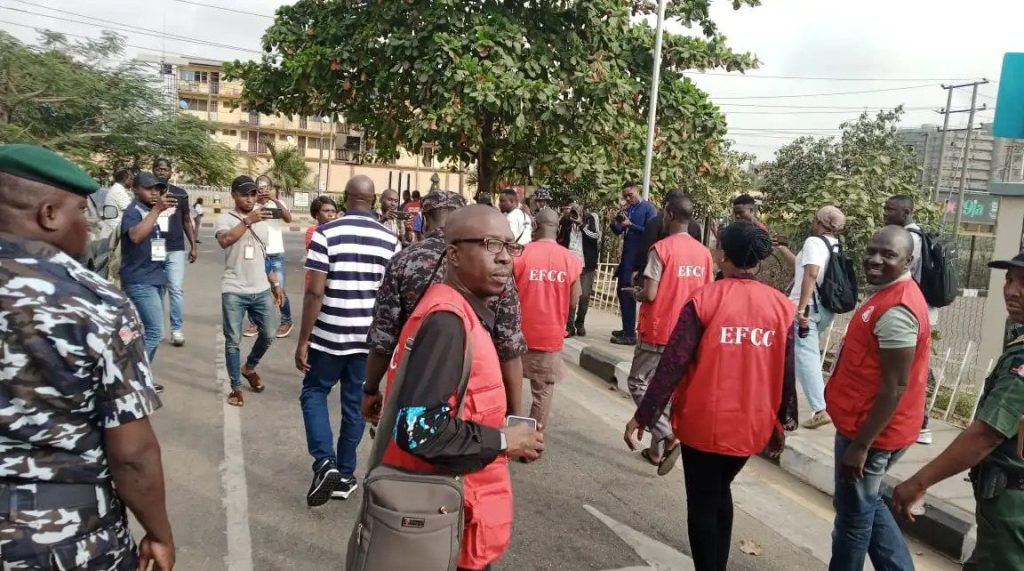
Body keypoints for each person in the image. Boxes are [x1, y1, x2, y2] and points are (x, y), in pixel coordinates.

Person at [0, 144, 173, 570]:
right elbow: (132, 452)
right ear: (50, 214)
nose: (88, 227)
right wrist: (158, 532)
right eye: (82, 213)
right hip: (61, 535)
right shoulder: (93, 303)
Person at [367, 205, 545, 571]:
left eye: (511, 247)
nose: (504, 259)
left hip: (458, 514)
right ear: (453, 254)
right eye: (490, 245)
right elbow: (418, 430)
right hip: (444, 521)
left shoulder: (465, 311)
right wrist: (504, 440)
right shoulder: (448, 323)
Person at [624, 220, 794, 571]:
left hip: (704, 422)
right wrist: (783, 422)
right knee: (720, 490)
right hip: (752, 425)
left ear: (722, 255)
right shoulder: (781, 307)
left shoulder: (704, 299)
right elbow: (786, 373)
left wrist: (644, 415)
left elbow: (672, 363)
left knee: (702, 503)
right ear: (758, 261)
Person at [892, 250, 1024, 571]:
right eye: (1009, 280)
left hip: (1011, 504)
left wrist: (918, 482)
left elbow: (985, 435)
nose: (1012, 290)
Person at [363, 190, 528, 430]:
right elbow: (509, 347)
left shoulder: (404, 260)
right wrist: (515, 416)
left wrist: (370, 389)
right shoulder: (494, 270)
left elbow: (384, 337)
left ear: (425, 218)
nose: (504, 257)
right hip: (476, 398)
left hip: (414, 385)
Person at [824, 226, 930, 571]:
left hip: (870, 433)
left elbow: (895, 386)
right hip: (869, 426)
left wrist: (861, 446)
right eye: (872, 251)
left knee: (853, 518)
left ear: (908, 261)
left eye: (888, 255)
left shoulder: (898, 309)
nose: (875, 259)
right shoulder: (888, 293)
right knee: (865, 502)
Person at [295, 175, 400, 506]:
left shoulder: (326, 233)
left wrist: (303, 339)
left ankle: (324, 463)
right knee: (355, 404)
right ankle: (345, 475)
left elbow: (315, 290)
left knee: (314, 392)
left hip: (329, 335)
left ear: (345, 198)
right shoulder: (390, 240)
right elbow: (390, 296)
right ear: (373, 201)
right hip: (367, 340)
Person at [626, 195, 713, 472]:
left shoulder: (661, 249)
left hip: (659, 329)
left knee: (639, 383)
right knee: (668, 390)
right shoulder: (704, 254)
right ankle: (656, 452)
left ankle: (666, 434)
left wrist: (637, 292)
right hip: (689, 334)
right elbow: (707, 294)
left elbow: (650, 293)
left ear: (670, 215)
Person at [214, 175, 285, 407]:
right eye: (245, 194)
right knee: (233, 341)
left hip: (261, 287)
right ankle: (235, 388)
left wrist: (274, 283)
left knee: (269, 334)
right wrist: (247, 221)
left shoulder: (263, 220)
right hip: (234, 288)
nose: (250, 198)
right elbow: (225, 240)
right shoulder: (225, 218)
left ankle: (249, 367)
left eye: (253, 194)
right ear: (234, 195)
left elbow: (265, 255)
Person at [513, 208, 582, 433]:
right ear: (559, 228)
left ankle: (509, 435)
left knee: (508, 384)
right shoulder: (571, 260)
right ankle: (533, 440)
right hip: (550, 335)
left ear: (535, 226)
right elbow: (574, 301)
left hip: (517, 333)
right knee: (542, 391)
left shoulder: (520, 254)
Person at [883, 194, 939, 445]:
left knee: (909, 372)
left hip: (912, 312)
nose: (885, 213)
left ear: (906, 212)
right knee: (905, 371)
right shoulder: (913, 236)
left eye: (890, 210)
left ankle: (922, 423)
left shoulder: (911, 239)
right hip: (915, 310)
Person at [784, 205, 845, 429]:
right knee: (793, 353)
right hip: (824, 309)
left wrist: (801, 309)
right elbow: (801, 269)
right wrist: (783, 249)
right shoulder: (835, 244)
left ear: (819, 220)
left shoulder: (813, 242)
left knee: (805, 354)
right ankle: (779, 397)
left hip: (807, 308)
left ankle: (820, 409)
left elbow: (811, 273)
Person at [120, 172, 176, 375]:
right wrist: (157, 210)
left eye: (157, 189)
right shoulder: (133, 211)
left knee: (143, 331)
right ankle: (135, 377)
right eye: (148, 188)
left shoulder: (148, 210)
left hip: (154, 277)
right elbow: (135, 236)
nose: (154, 193)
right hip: (139, 279)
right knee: (155, 332)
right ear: (135, 189)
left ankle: (140, 377)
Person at [241, 176, 295, 338]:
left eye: (266, 187)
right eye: (259, 187)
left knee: (279, 289)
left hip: (275, 254)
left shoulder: (278, 203)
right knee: (253, 289)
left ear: (271, 188)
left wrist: (274, 199)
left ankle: (286, 321)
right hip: (257, 254)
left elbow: (288, 218)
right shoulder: (252, 204)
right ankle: (254, 322)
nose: (262, 190)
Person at [152, 158, 197, 348]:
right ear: (153, 171)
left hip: (176, 247)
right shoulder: (149, 193)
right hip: (155, 245)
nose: (162, 172)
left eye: (165, 169)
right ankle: (158, 328)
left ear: (171, 172)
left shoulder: (180, 194)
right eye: (159, 169)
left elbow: (187, 220)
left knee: (176, 290)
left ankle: (177, 330)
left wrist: (193, 245)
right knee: (157, 290)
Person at [609, 181, 657, 345]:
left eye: (630, 195)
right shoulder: (628, 209)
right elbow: (618, 231)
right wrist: (613, 222)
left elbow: (650, 233)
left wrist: (632, 225)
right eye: (625, 196)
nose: (627, 198)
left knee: (628, 293)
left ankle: (630, 334)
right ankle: (627, 327)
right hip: (626, 257)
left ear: (638, 191)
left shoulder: (649, 209)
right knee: (621, 292)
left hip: (638, 258)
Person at [632, 189, 702, 284]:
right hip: (685, 276)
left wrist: (637, 270)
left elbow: (645, 250)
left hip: (657, 275)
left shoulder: (655, 226)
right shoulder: (695, 227)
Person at [557, 200, 601, 337]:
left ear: (582, 207)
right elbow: (559, 239)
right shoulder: (566, 221)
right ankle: (569, 326)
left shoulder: (590, 218)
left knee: (585, 296)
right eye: (571, 208)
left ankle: (580, 322)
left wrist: (581, 224)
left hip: (586, 264)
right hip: (570, 264)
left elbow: (595, 236)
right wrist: (564, 220)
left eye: (576, 208)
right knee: (571, 296)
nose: (574, 211)